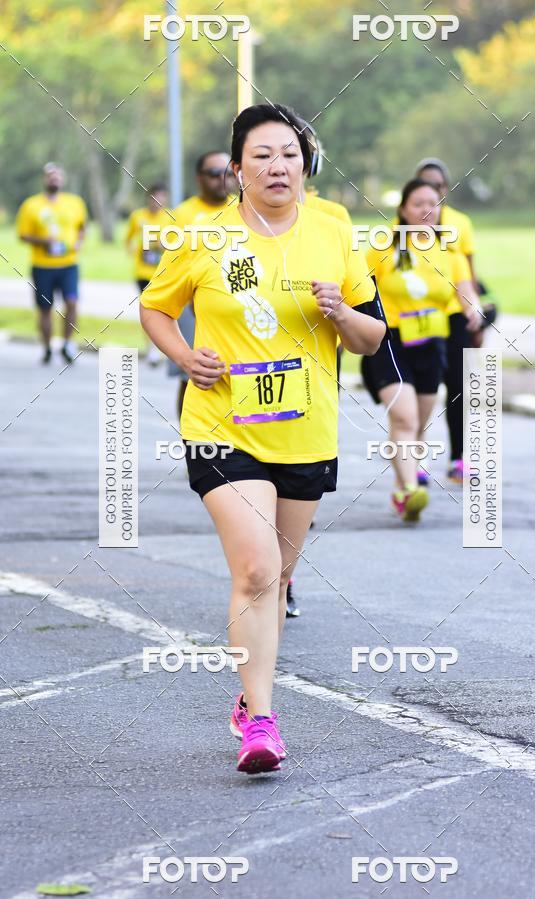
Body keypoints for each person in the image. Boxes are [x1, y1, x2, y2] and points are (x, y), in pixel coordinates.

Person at [140, 102, 385, 775]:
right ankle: (264, 722)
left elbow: (371, 336)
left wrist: (341, 311)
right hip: (221, 425)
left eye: (288, 153)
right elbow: (156, 307)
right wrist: (186, 356)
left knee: (279, 576)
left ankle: (249, 702)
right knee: (254, 569)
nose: (278, 166)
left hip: (306, 429)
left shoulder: (333, 227)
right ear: (238, 170)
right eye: (261, 156)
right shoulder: (203, 235)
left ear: (305, 161)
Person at [363, 178, 482, 522]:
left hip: (432, 342)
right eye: (418, 203)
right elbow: (359, 287)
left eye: (434, 203)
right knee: (404, 416)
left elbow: (465, 290)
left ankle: (407, 476)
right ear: (402, 209)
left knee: (420, 420)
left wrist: (473, 307)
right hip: (390, 340)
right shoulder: (383, 245)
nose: (427, 210)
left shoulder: (449, 249)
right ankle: (407, 489)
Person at [286, 119, 352, 619]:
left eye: (295, 154)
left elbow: (355, 297)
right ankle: (266, 573)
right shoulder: (229, 224)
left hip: (315, 372)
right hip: (242, 374)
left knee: (296, 497)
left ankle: (282, 574)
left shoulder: (334, 218)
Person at [414, 158, 483, 484]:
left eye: (438, 187)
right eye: (426, 185)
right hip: (418, 319)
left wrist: (475, 312)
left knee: (457, 385)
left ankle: (458, 457)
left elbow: (468, 270)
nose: (433, 193)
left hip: (453, 316)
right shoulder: (406, 223)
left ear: (446, 189)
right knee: (422, 391)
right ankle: (417, 457)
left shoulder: (459, 223)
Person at [169, 152, 237, 419]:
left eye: (228, 173)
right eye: (214, 173)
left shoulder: (242, 209)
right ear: (199, 178)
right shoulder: (183, 215)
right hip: (190, 305)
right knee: (191, 377)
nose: (222, 179)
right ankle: (191, 443)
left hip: (234, 303)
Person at [16, 162, 87, 364]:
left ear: (62, 179)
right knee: (45, 308)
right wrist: (43, 242)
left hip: (68, 264)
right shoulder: (32, 205)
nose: (54, 179)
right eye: (50, 176)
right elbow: (23, 235)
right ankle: (47, 347)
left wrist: (78, 242)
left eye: (57, 175)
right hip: (42, 266)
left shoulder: (75, 203)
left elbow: (82, 227)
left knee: (72, 302)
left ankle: (67, 344)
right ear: (44, 179)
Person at [124, 183, 171, 365]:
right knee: (149, 309)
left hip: (163, 272)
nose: (157, 201)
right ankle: (151, 349)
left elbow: (177, 241)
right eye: (154, 197)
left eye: (161, 197)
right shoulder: (138, 216)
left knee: (165, 310)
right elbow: (128, 239)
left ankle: (165, 347)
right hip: (143, 272)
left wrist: (161, 246)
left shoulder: (170, 217)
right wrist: (135, 249)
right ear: (148, 198)